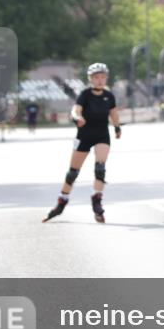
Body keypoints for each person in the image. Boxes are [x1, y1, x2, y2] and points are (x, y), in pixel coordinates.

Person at [42, 63, 122, 223]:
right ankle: (61, 202)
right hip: (84, 136)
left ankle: (97, 200)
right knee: (73, 173)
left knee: (100, 168)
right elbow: (76, 110)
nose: (100, 80)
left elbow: (114, 113)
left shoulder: (109, 96)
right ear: (91, 79)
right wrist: (77, 117)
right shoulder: (85, 95)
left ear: (106, 78)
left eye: (102, 77)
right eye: (96, 77)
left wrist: (117, 127)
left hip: (101, 135)